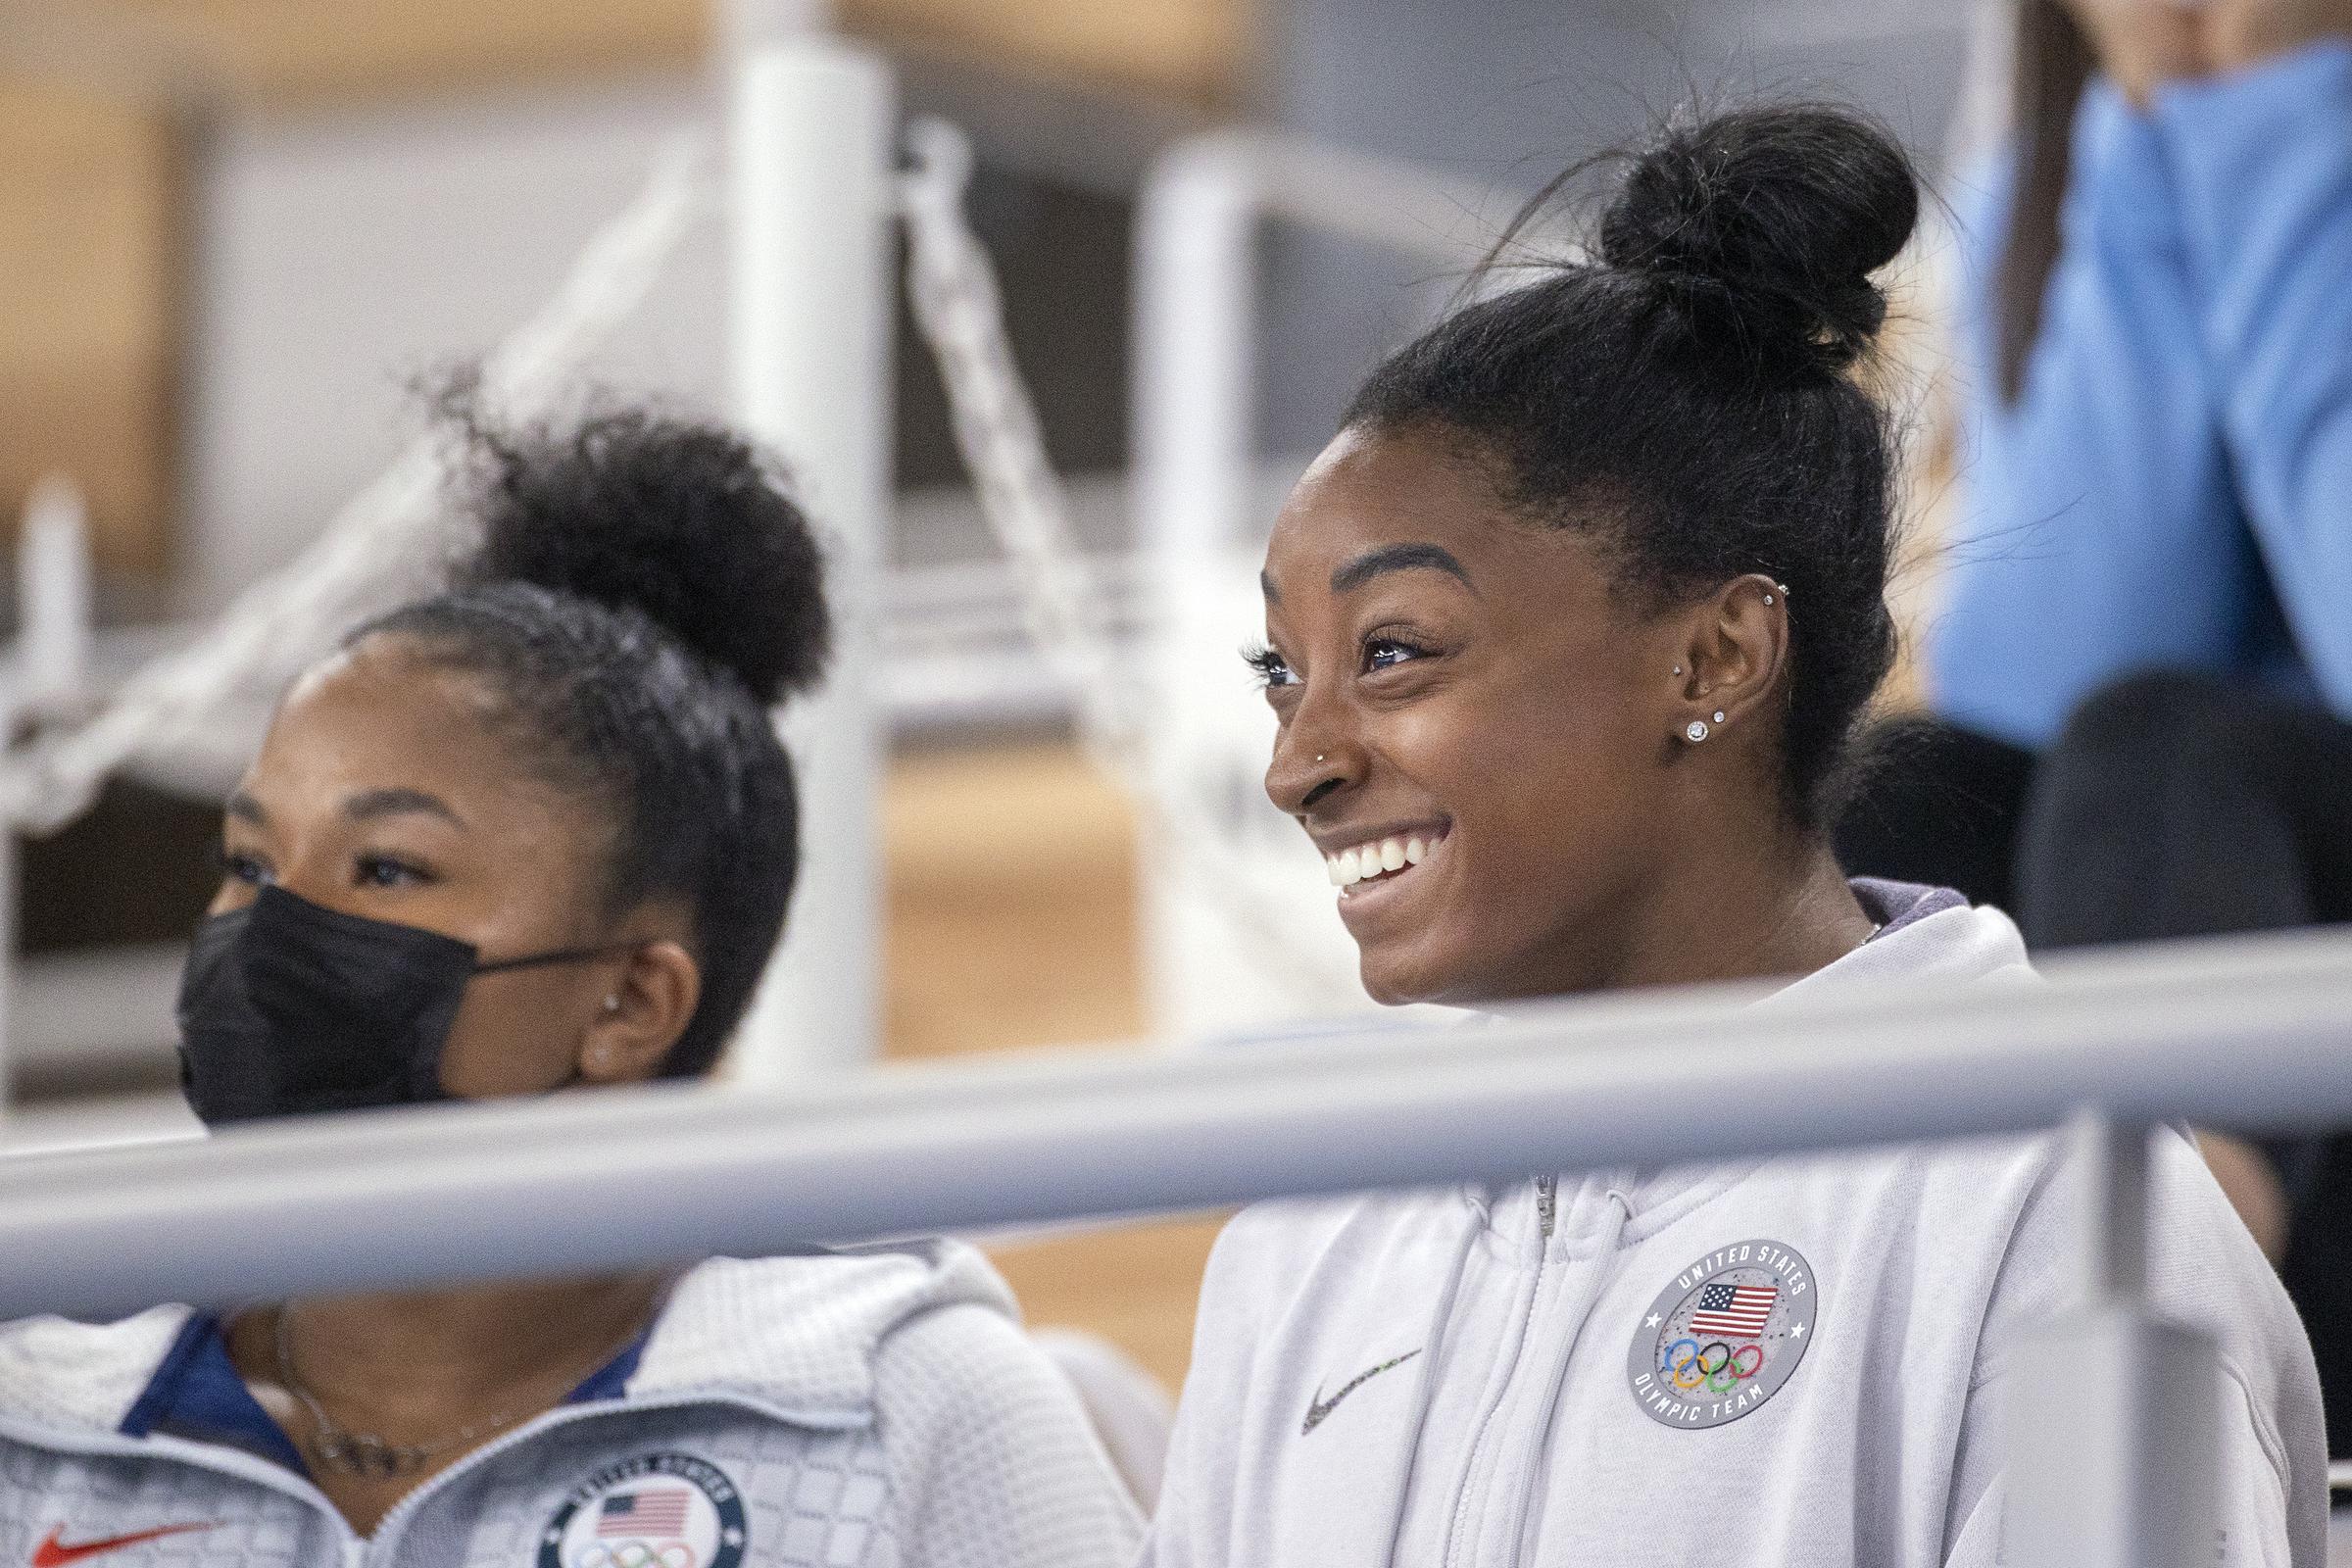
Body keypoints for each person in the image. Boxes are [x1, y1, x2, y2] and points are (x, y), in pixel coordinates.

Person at [1140, 104, 2326, 1566]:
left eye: (1393, 651)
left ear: (1714, 660)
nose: (1298, 764)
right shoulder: (1307, 1243)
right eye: (1280, 674)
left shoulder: (2059, 1220)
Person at [0, 405, 1141, 1566]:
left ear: (632, 1004)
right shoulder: (39, 1398)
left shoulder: (898, 1409)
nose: (269, 926)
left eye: (387, 867)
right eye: (248, 861)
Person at [1834, 0, 2352, 1447]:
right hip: (2210, 907)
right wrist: (2159, 126)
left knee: (2170, 751)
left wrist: (2279, 119)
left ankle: (2171, 1328)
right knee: (1894, 793)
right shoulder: (2056, 186)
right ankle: (1845, 1330)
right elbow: (2054, 666)